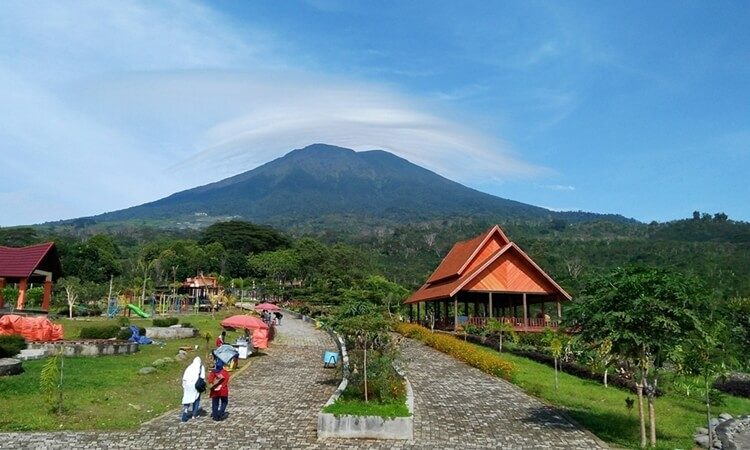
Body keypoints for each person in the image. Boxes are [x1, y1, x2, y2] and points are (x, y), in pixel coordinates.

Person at [181, 357, 205, 422]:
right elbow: (202, 377)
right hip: (196, 385)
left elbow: (184, 377)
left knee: (187, 398)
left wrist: (184, 385)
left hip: (188, 385)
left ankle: (185, 410)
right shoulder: (201, 367)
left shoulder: (189, 367)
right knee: (196, 399)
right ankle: (194, 415)